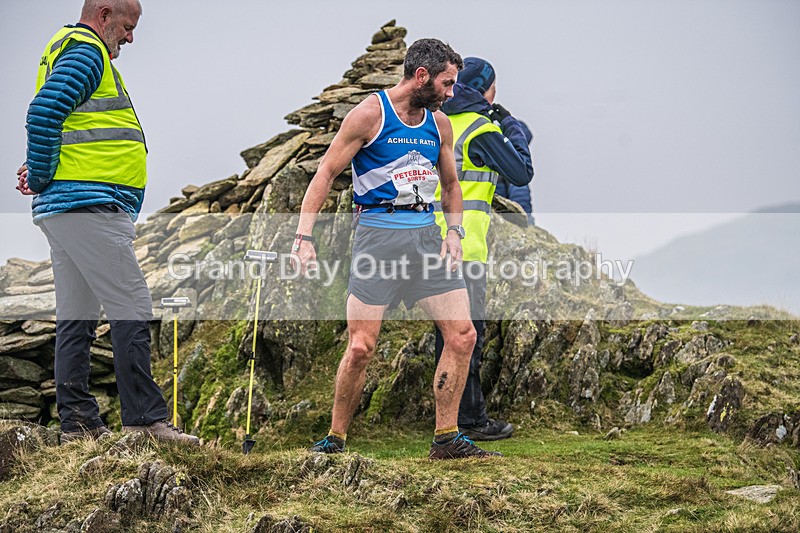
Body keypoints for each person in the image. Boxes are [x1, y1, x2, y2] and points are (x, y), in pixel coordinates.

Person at [291, 39, 501, 459]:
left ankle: (446, 438)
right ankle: (335, 440)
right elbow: (326, 172)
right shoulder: (370, 114)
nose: (451, 92)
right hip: (377, 239)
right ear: (421, 76)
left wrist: (454, 232)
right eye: (446, 83)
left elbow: (451, 185)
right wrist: (303, 238)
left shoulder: (439, 124)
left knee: (463, 335)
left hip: (426, 239)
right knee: (361, 347)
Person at [16, 0, 199, 446]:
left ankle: (78, 424)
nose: (130, 37)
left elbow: (62, 124)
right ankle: (146, 422)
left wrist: (42, 171)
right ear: (103, 14)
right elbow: (44, 113)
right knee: (131, 302)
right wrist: (41, 174)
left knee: (76, 315)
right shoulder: (86, 50)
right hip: (89, 205)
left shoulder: (68, 48)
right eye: (127, 26)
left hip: (71, 206)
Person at [433, 57, 534, 441]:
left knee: (446, 338)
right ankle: (470, 420)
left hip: (428, 243)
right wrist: (508, 125)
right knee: (466, 339)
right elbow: (521, 171)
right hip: (465, 248)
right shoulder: (480, 127)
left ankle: (447, 418)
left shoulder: (436, 121)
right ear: (484, 89)